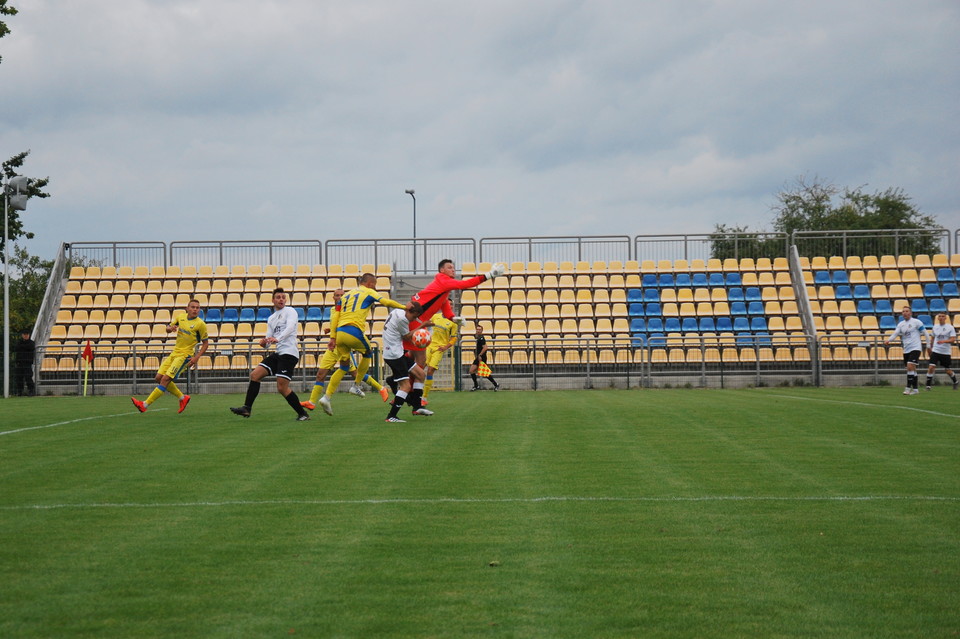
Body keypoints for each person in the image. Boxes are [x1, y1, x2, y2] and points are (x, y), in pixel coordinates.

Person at [316, 273, 406, 416]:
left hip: (339, 333)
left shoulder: (345, 296)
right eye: (374, 284)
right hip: (353, 330)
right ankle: (356, 386)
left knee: (344, 366)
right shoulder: (369, 292)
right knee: (368, 353)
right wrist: (404, 307)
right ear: (370, 283)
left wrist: (332, 337)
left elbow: (335, 317)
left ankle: (326, 397)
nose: (375, 287)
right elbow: (387, 303)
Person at [406, 259, 506, 371]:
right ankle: (408, 384)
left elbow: (445, 307)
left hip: (418, 321)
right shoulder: (444, 281)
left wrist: (453, 318)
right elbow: (464, 284)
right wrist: (489, 275)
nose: (453, 270)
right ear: (441, 270)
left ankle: (404, 380)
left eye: (453, 268)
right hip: (415, 320)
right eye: (449, 267)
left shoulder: (443, 286)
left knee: (413, 357)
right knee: (419, 360)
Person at [301, 288, 390, 411]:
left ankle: (380, 388)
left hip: (343, 347)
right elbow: (336, 325)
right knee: (320, 374)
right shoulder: (333, 310)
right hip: (333, 347)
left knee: (355, 373)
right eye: (336, 295)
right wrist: (329, 330)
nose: (339, 297)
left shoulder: (349, 310)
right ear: (333, 298)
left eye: (341, 295)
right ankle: (312, 402)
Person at [230, 288, 310, 420]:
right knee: (255, 375)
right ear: (273, 300)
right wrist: (264, 343)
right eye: (278, 297)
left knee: (282, 387)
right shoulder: (272, 318)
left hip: (289, 353)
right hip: (279, 353)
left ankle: (303, 414)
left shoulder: (290, 311)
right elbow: (269, 340)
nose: (281, 299)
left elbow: (290, 328)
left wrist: (278, 339)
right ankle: (247, 408)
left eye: (283, 297)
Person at [131, 299, 209, 413]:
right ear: (187, 308)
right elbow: (168, 328)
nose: (195, 309)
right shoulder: (180, 317)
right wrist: (170, 328)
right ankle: (183, 398)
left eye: (197, 308)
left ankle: (144, 405)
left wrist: (196, 358)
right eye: (193, 307)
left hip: (185, 356)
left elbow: (206, 344)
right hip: (175, 353)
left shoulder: (200, 324)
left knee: (165, 379)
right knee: (158, 378)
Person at [382, 301, 434, 422]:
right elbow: (407, 337)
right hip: (394, 356)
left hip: (396, 353)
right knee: (406, 386)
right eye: (414, 317)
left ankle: (417, 407)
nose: (413, 319)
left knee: (421, 374)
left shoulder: (396, 312)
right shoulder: (402, 320)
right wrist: (422, 326)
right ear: (411, 311)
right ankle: (391, 416)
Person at [884, 305, 928, 396]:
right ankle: (915, 390)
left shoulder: (916, 322)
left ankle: (907, 388)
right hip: (906, 349)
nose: (905, 313)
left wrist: (928, 344)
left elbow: (925, 332)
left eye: (907, 311)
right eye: (903, 311)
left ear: (910, 313)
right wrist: (889, 340)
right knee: (912, 369)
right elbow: (895, 334)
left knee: (910, 366)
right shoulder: (901, 324)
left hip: (915, 347)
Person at [422, 312, 459, 402]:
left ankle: (424, 397)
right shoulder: (435, 316)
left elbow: (454, 338)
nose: (449, 306)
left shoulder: (453, 322)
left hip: (439, 348)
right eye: (448, 304)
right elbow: (427, 324)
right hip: (429, 346)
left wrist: (445, 347)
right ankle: (412, 392)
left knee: (430, 370)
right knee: (420, 367)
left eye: (451, 305)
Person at [925, 312, 957, 390]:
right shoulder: (935, 327)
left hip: (945, 352)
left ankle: (955, 382)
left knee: (947, 370)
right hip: (936, 350)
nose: (941, 317)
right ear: (938, 318)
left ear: (946, 318)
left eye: (943, 316)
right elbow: (932, 338)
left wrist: (944, 341)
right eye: (940, 316)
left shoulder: (950, 327)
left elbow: (953, 339)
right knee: (931, 367)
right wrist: (930, 347)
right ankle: (928, 386)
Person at [468, 324, 500, 391]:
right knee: (472, 370)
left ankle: (495, 384)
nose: (478, 331)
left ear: (482, 331)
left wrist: (480, 355)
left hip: (481, 357)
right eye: (477, 329)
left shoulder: (481, 338)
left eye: (480, 329)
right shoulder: (479, 338)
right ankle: (476, 385)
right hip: (479, 357)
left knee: (482, 372)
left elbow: (485, 347)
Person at [13, 329, 36, 397]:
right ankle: (19, 391)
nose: (26, 336)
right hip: (20, 363)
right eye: (24, 334)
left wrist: (22, 347)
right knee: (19, 378)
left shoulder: (31, 342)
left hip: (27, 363)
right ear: (22, 335)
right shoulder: (19, 342)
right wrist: (24, 347)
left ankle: (31, 391)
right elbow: (16, 348)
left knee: (28, 377)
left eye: (27, 334)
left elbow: (30, 347)